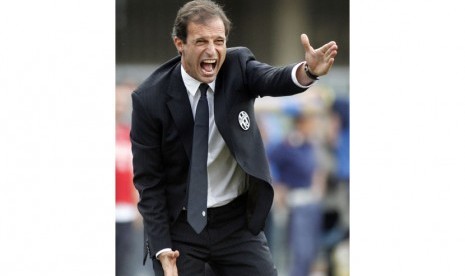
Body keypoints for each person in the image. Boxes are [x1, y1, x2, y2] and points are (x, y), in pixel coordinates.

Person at [130, 0, 338, 275]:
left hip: (235, 223)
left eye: (219, 41)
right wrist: (162, 249)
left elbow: (272, 78)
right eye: (201, 41)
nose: (212, 50)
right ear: (179, 43)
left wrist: (307, 71)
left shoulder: (237, 66)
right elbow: (149, 182)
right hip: (181, 226)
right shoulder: (149, 99)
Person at [268, 110, 328, 276]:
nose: (314, 126)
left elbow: (317, 168)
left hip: (311, 202)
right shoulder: (287, 145)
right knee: (298, 253)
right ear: (300, 123)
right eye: (310, 122)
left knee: (311, 251)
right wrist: (278, 188)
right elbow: (269, 163)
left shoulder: (310, 145)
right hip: (295, 203)